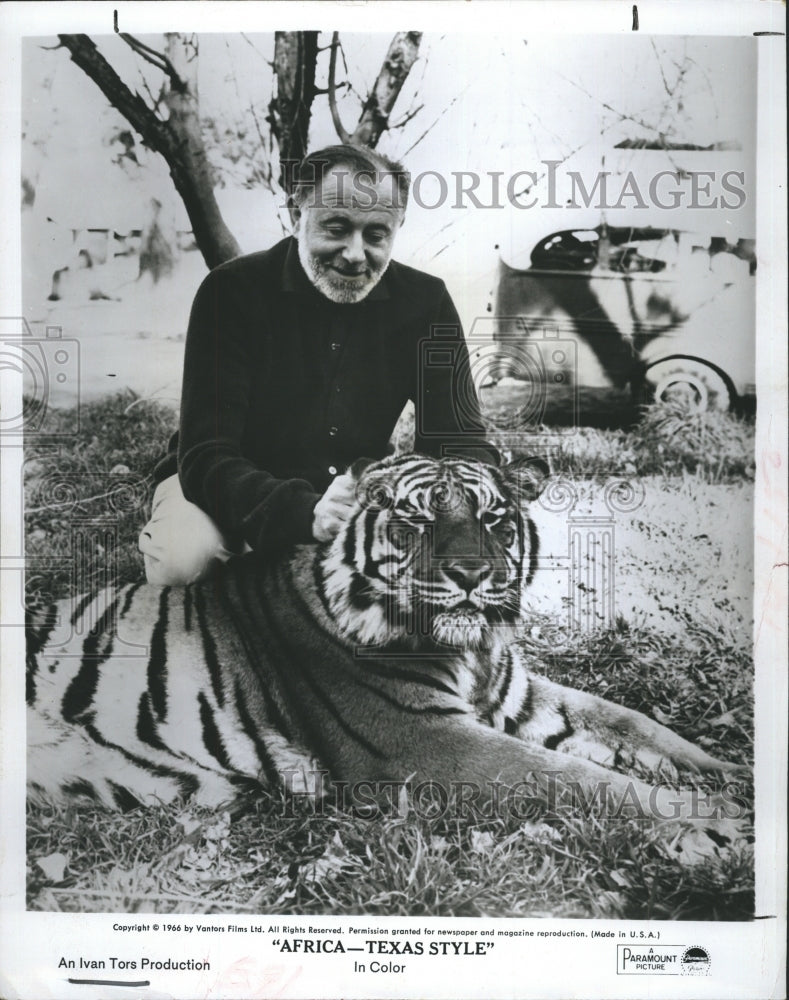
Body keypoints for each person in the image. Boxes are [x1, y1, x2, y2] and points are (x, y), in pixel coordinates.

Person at [139, 144, 494, 586]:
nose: (355, 253)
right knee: (182, 558)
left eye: (377, 235)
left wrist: (475, 503)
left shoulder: (426, 302)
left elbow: (458, 439)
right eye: (337, 228)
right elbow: (205, 457)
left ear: (397, 228)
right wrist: (304, 514)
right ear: (296, 213)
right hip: (224, 493)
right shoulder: (230, 291)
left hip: (352, 497)